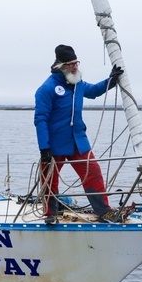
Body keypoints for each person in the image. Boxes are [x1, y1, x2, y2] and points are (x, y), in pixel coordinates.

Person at [34, 44, 123, 224]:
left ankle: (104, 211)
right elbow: (40, 119)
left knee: (94, 173)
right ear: (61, 66)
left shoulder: (78, 84)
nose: (75, 67)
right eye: (71, 64)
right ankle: (50, 213)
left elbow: (94, 91)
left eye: (76, 63)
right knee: (49, 179)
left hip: (78, 142)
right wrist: (44, 148)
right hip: (54, 144)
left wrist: (111, 81)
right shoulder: (47, 88)